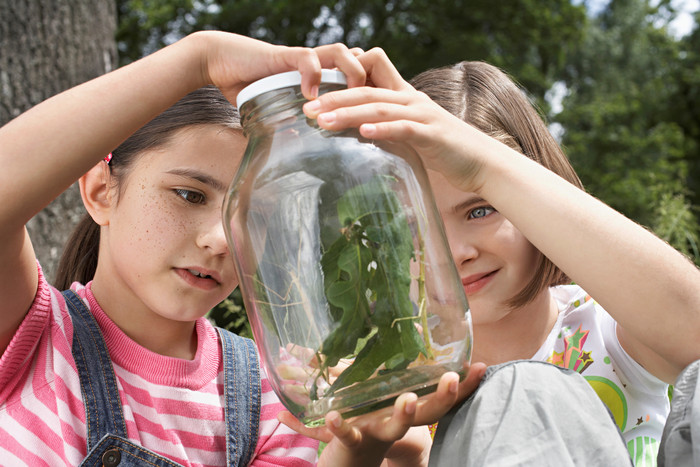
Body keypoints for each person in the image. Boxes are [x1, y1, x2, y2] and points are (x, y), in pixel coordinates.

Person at [0, 31, 484, 467]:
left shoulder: (270, 396)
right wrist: (198, 57)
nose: (219, 237)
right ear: (102, 191)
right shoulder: (33, 335)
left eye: (249, 214)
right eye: (189, 195)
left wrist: (361, 450)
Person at [298, 52, 700, 465]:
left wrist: (485, 166)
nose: (456, 253)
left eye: (480, 209)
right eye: (417, 227)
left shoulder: (607, 329)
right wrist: (367, 451)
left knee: (524, 389)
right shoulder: (403, 384)